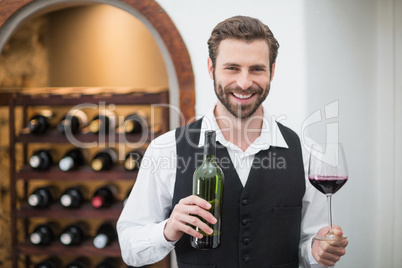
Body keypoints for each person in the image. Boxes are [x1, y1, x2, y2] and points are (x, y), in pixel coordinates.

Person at [117, 15, 348, 268]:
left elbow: (309, 245)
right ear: (210, 68)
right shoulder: (167, 149)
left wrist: (317, 251)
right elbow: (130, 249)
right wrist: (168, 229)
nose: (244, 82)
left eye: (257, 69)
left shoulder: (305, 153)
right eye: (232, 68)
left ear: (272, 71)